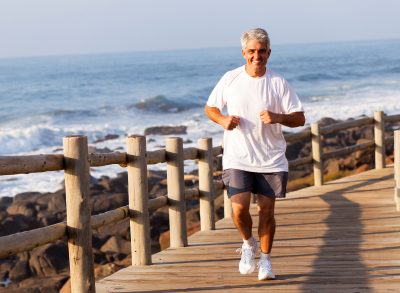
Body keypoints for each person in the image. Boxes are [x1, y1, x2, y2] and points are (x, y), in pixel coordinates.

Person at [205, 28, 305, 281]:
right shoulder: (230, 79)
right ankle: (248, 244)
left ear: (269, 53)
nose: (256, 56)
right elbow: (210, 107)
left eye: (261, 51)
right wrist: (223, 120)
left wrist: (278, 117)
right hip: (237, 158)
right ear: (244, 53)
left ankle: (266, 260)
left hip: (271, 159)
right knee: (238, 211)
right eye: (251, 51)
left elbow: (300, 118)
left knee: (267, 211)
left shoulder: (279, 83)